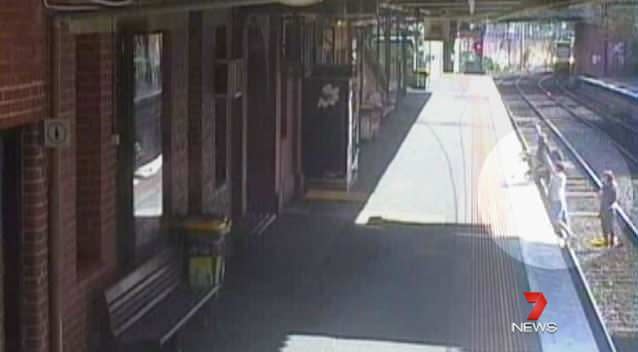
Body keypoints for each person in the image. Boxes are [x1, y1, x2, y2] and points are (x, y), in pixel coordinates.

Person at [599, 170, 620, 247]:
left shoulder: (613, 186)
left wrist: (610, 205)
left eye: (604, 177)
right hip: (603, 208)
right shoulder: (604, 186)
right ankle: (606, 241)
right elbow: (601, 197)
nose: (603, 178)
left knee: (611, 226)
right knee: (604, 225)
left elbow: (615, 198)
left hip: (610, 209)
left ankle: (612, 241)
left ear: (608, 177)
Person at [548, 162, 570, 236]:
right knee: (557, 218)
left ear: (558, 168)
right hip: (556, 199)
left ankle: (569, 233)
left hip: (557, 199)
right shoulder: (558, 176)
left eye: (555, 167)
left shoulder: (560, 176)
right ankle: (561, 232)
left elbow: (553, 185)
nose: (553, 168)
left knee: (556, 219)